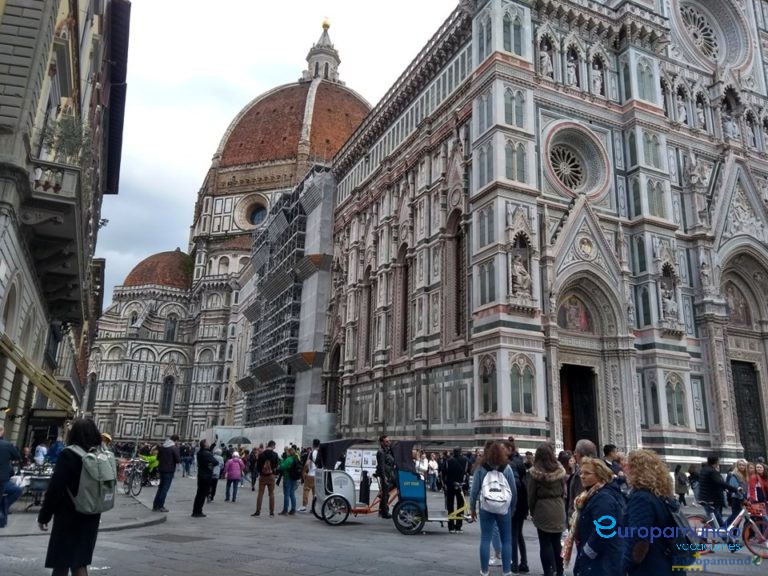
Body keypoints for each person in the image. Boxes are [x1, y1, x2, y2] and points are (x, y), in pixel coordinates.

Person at [37, 418, 103, 576]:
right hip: (91, 515)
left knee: (63, 562)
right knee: (79, 562)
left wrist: (44, 516)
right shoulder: (99, 456)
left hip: (69, 515)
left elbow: (55, 488)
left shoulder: (69, 454)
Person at [564, 458, 625, 576]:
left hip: (602, 562)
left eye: (587, 473)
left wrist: (587, 552)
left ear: (600, 475)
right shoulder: (590, 495)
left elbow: (605, 528)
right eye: (581, 472)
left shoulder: (603, 498)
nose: (582, 476)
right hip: (599, 560)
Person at [622, 450, 679, 576]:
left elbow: (640, 539)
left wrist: (626, 565)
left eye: (627, 466)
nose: (624, 470)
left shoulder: (641, 498)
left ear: (636, 470)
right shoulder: (662, 495)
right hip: (668, 562)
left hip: (650, 567)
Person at [470, 441, 517, 576]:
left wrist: (472, 508)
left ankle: (485, 571)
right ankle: (506, 571)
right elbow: (513, 491)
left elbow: (474, 491)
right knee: (506, 540)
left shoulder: (481, 468)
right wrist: (512, 507)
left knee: (485, 539)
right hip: (504, 508)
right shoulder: (506, 468)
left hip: (486, 507)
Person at [528, 443, 566, 576]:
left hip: (542, 508)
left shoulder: (534, 473)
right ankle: (560, 572)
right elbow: (563, 491)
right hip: (558, 507)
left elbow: (531, 495)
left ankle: (548, 572)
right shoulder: (559, 471)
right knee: (557, 543)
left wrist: (532, 511)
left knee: (545, 544)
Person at [507, 437, 530, 573]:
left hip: (515, 504)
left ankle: (514, 565)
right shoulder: (520, 461)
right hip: (522, 503)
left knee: (513, 535)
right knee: (518, 534)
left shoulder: (510, 464)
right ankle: (524, 563)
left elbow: (515, 484)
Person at [698, 455, 740, 528]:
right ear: (716, 462)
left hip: (705, 497)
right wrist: (735, 489)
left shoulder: (704, 469)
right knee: (716, 521)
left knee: (718, 522)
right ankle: (709, 532)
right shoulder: (712, 471)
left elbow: (712, 483)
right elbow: (721, 483)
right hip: (711, 499)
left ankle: (724, 533)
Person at [568, 439, 597, 517]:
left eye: (575, 451)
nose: (574, 454)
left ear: (579, 454)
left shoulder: (583, 474)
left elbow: (580, 501)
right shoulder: (599, 470)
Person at [443, 446, 469, 534]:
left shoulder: (448, 461)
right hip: (461, 485)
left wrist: (445, 484)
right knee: (460, 506)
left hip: (450, 485)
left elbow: (443, 473)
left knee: (450, 505)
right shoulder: (465, 461)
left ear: (453, 452)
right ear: (461, 452)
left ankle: (451, 527)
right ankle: (458, 526)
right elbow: (467, 472)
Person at [152, 434, 180, 513]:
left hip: (161, 470)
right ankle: (160, 506)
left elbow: (158, 458)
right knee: (164, 489)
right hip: (169, 471)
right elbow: (178, 460)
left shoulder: (163, 447)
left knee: (160, 488)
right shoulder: (174, 448)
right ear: (176, 440)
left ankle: (155, 506)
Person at [252, 440, 280, 517]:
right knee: (271, 494)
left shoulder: (261, 454)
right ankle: (271, 513)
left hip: (263, 476)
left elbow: (258, 467)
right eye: (274, 446)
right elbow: (277, 465)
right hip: (271, 476)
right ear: (272, 446)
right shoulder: (275, 454)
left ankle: (258, 512)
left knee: (260, 494)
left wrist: (261, 471)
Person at [0, 425, 22, 515]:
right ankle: (3, 507)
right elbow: (17, 457)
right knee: (17, 490)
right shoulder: (7, 445)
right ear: (2, 432)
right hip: (2, 477)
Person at [191, 439, 217, 518]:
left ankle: (195, 511)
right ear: (205, 445)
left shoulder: (200, 452)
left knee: (199, 494)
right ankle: (198, 512)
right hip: (206, 476)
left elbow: (209, 451)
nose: (208, 444)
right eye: (207, 443)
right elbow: (215, 462)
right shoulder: (206, 453)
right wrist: (210, 464)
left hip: (201, 475)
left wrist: (214, 444)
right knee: (202, 495)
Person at [375, 435, 396, 519]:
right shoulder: (381, 452)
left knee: (389, 490)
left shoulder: (387, 450)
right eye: (386, 441)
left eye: (389, 441)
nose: (389, 442)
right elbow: (382, 466)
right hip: (385, 475)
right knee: (386, 494)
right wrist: (384, 478)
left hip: (390, 474)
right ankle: (384, 513)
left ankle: (382, 508)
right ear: (381, 443)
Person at [299, 438, 320, 512]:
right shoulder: (321, 452)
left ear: (313, 444)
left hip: (311, 474)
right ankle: (313, 508)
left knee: (306, 490)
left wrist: (303, 472)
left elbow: (307, 464)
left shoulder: (312, 452)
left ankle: (304, 506)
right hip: (319, 475)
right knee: (315, 492)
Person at [277, 446, 299, 515]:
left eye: (287, 452)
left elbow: (282, 467)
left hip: (287, 477)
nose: (286, 453)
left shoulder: (289, 459)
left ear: (289, 453)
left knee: (286, 494)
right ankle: (293, 509)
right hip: (294, 478)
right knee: (292, 493)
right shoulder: (295, 458)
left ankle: (285, 510)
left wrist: (281, 462)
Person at [725, 459, 748, 526]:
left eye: (743, 465)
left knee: (740, 518)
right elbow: (734, 487)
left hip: (744, 498)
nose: (741, 466)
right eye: (740, 465)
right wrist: (742, 496)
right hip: (737, 498)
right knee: (735, 517)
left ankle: (734, 530)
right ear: (737, 466)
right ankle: (725, 528)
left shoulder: (746, 475)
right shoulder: (734, 474)